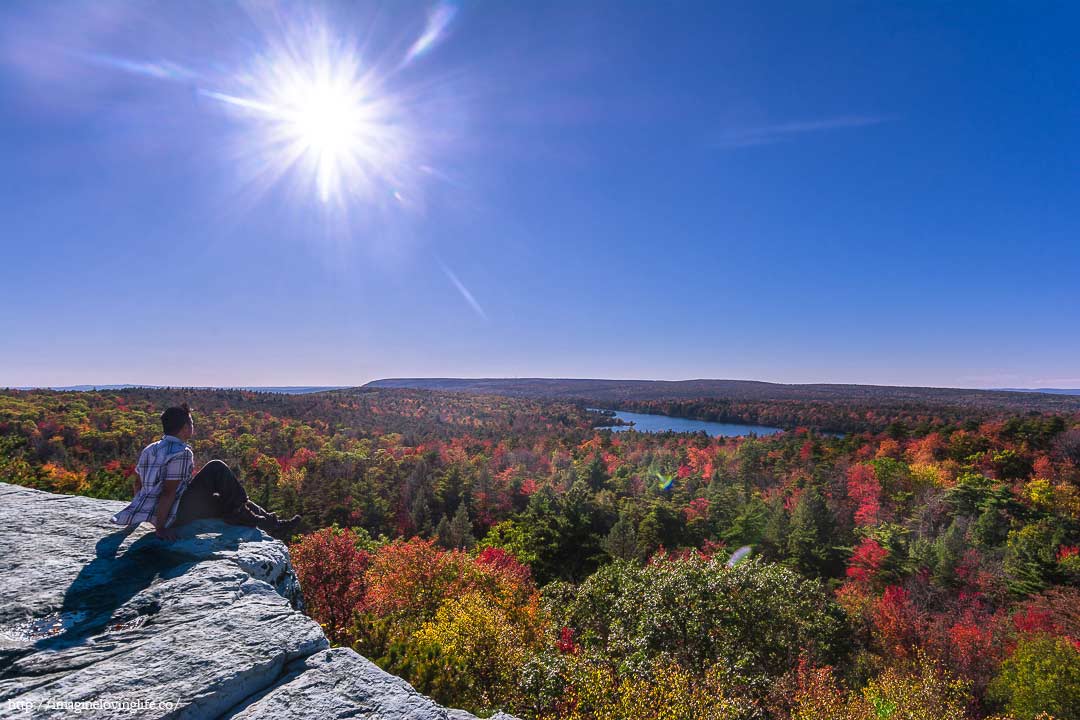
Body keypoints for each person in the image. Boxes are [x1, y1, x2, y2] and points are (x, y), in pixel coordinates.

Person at [111, 403, 300, 540]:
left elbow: (138, 483)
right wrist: (160, 527)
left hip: (170, 509)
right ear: (185, 428)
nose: (193, 427)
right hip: (176, 513)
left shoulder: (151, 449)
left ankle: (272, 523)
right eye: (191, 424)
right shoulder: (181, 453)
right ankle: (262, 521)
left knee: (230, 500)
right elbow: (169, 492)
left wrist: (141, 513)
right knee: (216, 467)